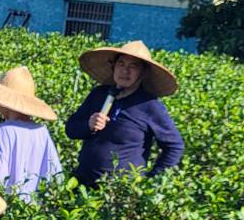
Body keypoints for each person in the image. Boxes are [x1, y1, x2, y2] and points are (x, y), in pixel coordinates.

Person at [64, 40, 184, 187]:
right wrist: (88, 125)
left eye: (133, 66)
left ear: (143, 73)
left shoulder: (149, 105)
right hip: (82, 182)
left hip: (119, 191)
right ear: (113, 67)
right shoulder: (98, 95)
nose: (125, 71)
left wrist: (152, 181)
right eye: (121, 64)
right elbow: (70, 130)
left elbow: (174, 146)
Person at [0, 66, 61, 201]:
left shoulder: (5, 131)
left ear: (5, 103)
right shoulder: (41, 131)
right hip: (37, 208)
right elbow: (55, 174)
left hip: (10, 205)